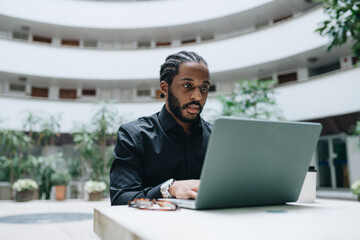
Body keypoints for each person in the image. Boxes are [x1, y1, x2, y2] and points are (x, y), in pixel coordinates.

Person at [110, 51, 212, 205]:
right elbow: (120, 199)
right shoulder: (134, 136)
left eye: (203, 88)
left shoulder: (217, 137)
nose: (197, 96)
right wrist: (168, 189)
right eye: (187, 86)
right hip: (153, 227)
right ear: (165, 88)